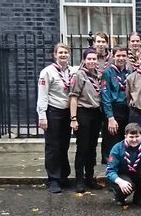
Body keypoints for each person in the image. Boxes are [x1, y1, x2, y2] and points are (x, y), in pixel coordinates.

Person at [36, 42, 74, 193]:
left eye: (65, 52)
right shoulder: (47, 72)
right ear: (55, 55)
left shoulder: (72, 71)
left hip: (67, 113)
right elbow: (43, 95)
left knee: (64, 145)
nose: (63, 55)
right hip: (53, 112)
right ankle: (53, 179)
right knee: (53, 146)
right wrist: (42, 115)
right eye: (60, 52)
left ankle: (63, 176)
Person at [68, 48, 107, 191]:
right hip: (83, 112)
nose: (91, 61)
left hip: (96, 113)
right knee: (82, 147)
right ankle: (79, 180)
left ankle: (90, 177)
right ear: (84, 60)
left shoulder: (99, 76)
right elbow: (73, 96)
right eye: (89, 59)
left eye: (94, 59)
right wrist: (73, 118)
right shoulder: (79, 75)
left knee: (92, 148)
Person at [106, 122, 141, 207]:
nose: (134, 140)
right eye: (131, 137)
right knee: (128, 185)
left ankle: (139, 198)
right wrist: (120, 182)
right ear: (125, 136)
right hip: (122, 175)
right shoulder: (117, 148)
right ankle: (119, 197)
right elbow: (110, 171)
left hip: (137, 172)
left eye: (137, 136)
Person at [100, 47, 132, 161]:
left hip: (126, 110)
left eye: (124, 56)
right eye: (118, 55)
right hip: (113, 110)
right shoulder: (108, 73)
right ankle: (109, 163)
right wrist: (110, 117)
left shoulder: (130, 72)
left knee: (124, 139)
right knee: (112, 139)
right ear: (113, 57)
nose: (121, 58)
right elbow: (105, 95)